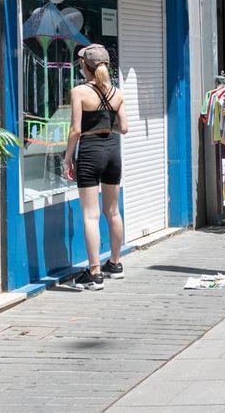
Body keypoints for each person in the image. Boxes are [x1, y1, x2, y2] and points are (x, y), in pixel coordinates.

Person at [64, 45, 129, 290]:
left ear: (85, 66)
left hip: (91, 151)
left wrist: (68, 158)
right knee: (112, 211)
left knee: (90, 214)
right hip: (113, 151)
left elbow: (76, 130)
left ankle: (94, 273)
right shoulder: (117, 93)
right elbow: (123, 128)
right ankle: (115, 263)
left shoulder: (79, 91)